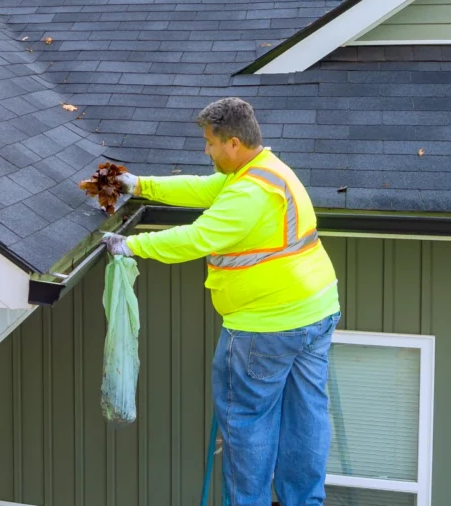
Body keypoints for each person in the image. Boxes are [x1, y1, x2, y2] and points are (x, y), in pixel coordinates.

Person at [101, 97, 340, 506]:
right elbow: (201, 187)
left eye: (210, 143)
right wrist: (140, 185)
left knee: (248, 424)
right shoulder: (265, 171)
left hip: (265, 328)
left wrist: (131, 246)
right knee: (307, 415)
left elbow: (198, 237)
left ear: (232, 143)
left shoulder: (248, 195)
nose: (206, 151)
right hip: (316, 311)